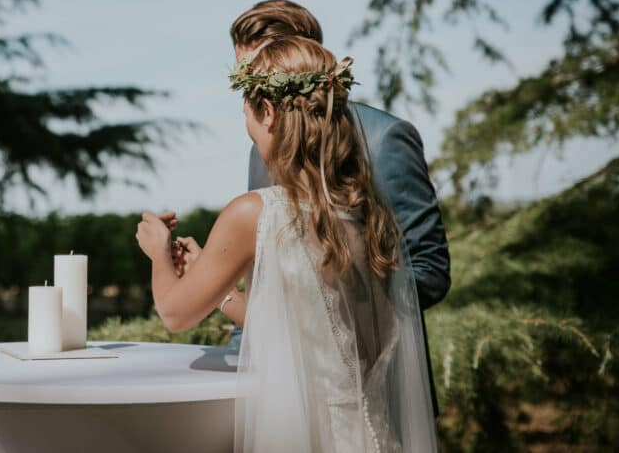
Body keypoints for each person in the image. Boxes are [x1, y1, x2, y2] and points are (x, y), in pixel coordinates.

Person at [136, 36, 438, 451]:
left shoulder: (255, 212)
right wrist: (218, 282)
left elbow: (174, 313)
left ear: (269, 113)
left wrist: (157, 252)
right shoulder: (368, 211)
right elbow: (313, 335)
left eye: (246, 110)